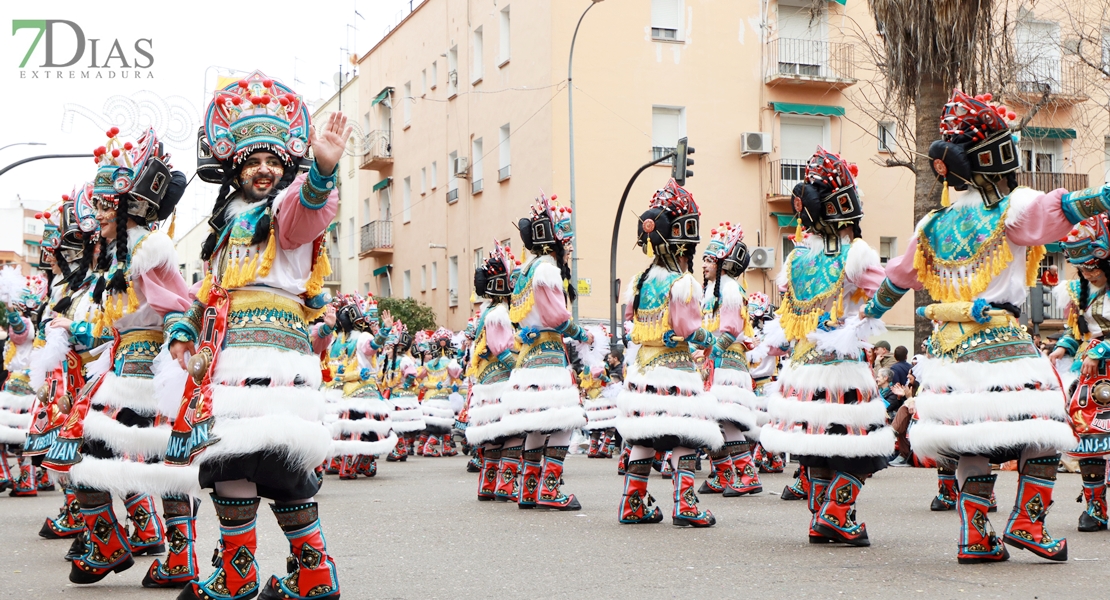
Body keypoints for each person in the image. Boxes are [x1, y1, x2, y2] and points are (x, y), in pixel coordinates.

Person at [862, 89, 1089, 564]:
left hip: (947, 350)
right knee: (1046, 428)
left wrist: (861, 319)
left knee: (972, 439)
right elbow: (1058, 213)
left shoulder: (931, 224)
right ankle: (1028, 523)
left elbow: (896, 280)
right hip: (1001, 340)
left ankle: (976, 536)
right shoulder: (1012, 208)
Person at [166, 71, 348, 599]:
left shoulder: (284, 213)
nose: (265, 170)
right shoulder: (226, 227)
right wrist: (181, 331)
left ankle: (300, 574)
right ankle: (253, 572)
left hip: (270, 353)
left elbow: (307, 208)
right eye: (254, 162)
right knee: (233, 461)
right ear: (236, 169)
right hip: (229, 355)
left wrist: (323, 167)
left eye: (273, 161)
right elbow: (207, 294)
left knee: (278, 460)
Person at [41, 127, 194, 586]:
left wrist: (178, 355)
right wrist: (75, 331)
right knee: (93, 448)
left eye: (107, 207)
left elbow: (177, 308)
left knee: (148, 457)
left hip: (148, 372)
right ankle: (118, 542)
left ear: (127, 206)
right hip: (122, 366)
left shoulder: (148, 251)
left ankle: (138, 548)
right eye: (99, 206)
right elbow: (114, 326)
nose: (99, 217)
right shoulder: (119, 260)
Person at [760, 147, 892, 547]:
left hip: (801, 366)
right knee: (864, 447)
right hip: (841, 364)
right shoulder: (856, 253)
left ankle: (821, 518)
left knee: (816, 444)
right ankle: (836, 513)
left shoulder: (796, 257)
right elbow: (884, 289)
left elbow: (786, 309)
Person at [615, 179, 722, 527]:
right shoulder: (683, 282)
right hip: (675, 369)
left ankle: (633, 504)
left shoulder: (640, 280)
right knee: (686, 436)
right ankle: (686, 506)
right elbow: (687, 328)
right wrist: (710, 339)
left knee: (645, 436)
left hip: (643, 369)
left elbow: (631, 318)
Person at [498, 192, 591, 510]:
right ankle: (549, 490)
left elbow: (519, 319)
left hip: (527, 360)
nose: (571, 248)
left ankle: (528, 489)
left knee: (536, 424)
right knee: (564, 422)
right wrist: (583, 334)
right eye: (568, 241)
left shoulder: (524, 272)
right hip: (549, 357)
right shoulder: (548, 269)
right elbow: (556, 318)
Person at [1049, 215, 1110, 533]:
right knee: (1090, 440)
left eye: (1093, 268)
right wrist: (1063, 347)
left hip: (1102, 368)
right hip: (1091, 379)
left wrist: (1101, 350)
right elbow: (1078, 330)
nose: (1088, 274)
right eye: (1083, 269)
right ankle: (1095, 508)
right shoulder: (1080, 292)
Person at [697, 222, 763, 497]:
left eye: (710, 260)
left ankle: (747, 474)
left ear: (724, 264)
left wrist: (710, 350)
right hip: (714, 360)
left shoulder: (731, 289)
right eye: (704, 259)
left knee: (727, 419)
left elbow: (731, 328)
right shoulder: (714, 291)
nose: (704, 265)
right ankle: (723, 473)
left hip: (726, 361)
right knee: (712, 420)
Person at [464, 242, 518, 500]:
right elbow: (500, 349)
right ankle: (506, 485)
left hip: (487, 379)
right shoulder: (498, 313)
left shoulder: (487, 312)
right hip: (501, 380)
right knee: (511, 431)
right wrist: (520, 369)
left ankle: (488, 485)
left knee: (494, 434)